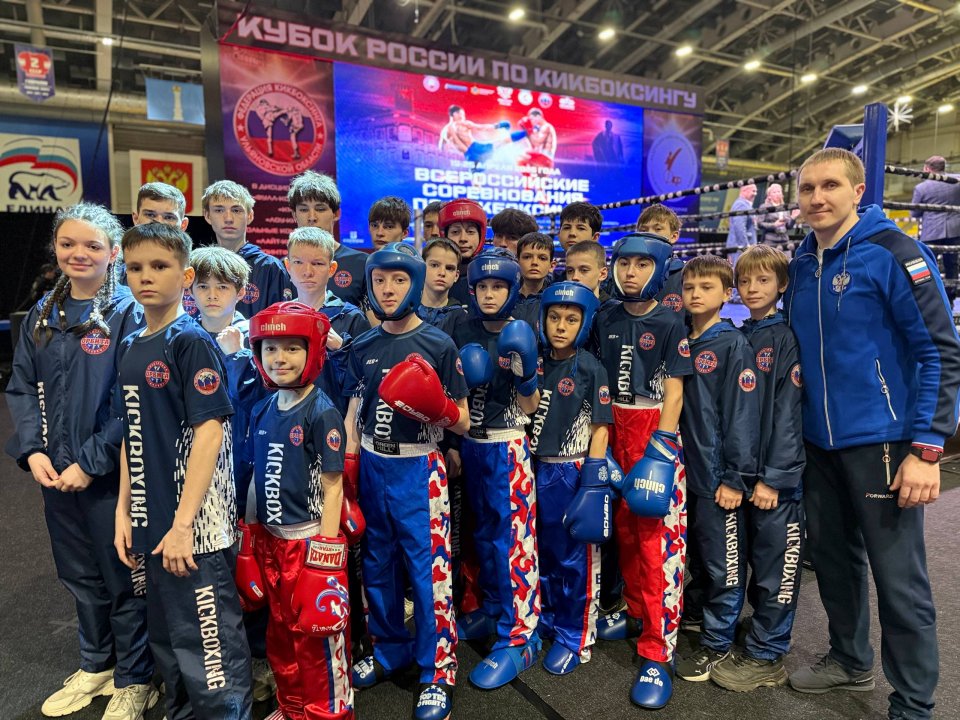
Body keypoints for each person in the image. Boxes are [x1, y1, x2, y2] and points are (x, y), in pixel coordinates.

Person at [784, 148, 960, 720]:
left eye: (830, 185)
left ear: (858, 191)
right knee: (834, 563)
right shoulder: (802, 262)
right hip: (818, 443)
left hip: (883, 442)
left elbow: (941, 352)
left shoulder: (894, 252)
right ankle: (849, 659)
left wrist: (927, 448)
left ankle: (914, 703)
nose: (817, 198)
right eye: (807, 188)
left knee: (898, 578)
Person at [6, 203, 157, 720]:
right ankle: (96, 665)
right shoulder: (42, 315)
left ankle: (136, 677)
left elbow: (130, 399)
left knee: (122, 576)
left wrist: (91, 462)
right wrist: (33, 450)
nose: (79, 253)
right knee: (78, 575)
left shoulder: (128, 313)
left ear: (113, 252)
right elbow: (21, 386)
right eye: (68, 243)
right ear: (55, 248)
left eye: (93, 245)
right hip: (55, 472)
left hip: (112, 476)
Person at [114, 222, 252, 718]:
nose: (146, 276)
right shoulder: (132, 344)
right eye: (135, 267)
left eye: (159, 266)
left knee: (210, 653)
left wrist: (183, 525)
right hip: (151, 521)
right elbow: (132, 431)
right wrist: (124, 510)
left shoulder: (190, 340)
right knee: (171, 648)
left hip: (194, 529)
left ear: (186, 275)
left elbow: (210, 433)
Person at [345, 243, 470, 720]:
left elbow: (462, 421)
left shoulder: (438, 345)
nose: (388, 289)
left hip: (419, 468)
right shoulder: (363, 345)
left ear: (414, 284)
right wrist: (349, 465)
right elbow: (355, 408)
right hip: (372, 464)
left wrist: (434, 406)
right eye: (380, 280)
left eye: (399, 280)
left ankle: (438, 669)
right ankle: (389, 648)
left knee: (427, 570)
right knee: (376, 562)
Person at [592, 233, 692, 709]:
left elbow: (675, 392)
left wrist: (661, 448)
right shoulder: (605, 316)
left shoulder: (671, 320)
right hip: (614, 428)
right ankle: (635, 613)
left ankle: (658, 651)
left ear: (659, 269)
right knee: (627, 536)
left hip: (654, 432)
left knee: (657, 547)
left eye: (642, 264)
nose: (631, 272)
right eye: (625, 263)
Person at [245, 302, 353, 720]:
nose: (280, 358)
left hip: (308, 543)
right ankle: (292, 707)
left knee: (319, 639)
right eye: (271, 348)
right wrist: (249, 537)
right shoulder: (263, 408)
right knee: (281, 633)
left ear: (312, 351)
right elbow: (257, 477)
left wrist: (325, 558)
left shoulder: (322, 412)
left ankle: (329, 713)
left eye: (292, 348)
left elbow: (333, 486)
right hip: (271, 541)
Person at [706, 245, 805, 692]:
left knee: (775, 568)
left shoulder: (783, 338)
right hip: (742, 473)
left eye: (763, 280)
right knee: (740, 561)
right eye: (744, 280)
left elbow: (788, 413)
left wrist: (775, 477)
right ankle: (755, 632)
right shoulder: (740, 334)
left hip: (773, 482)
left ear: (782, 285)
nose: (751, 288)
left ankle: (768, 654)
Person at [188, 245, 280, 704]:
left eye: (222, 286)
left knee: (253, 564)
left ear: (241, 291)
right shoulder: (183, 336)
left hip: (245, 472)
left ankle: (260, 658)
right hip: (197, 475)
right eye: (203, 286)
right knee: (211, 572)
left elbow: (268, 401)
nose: (211, 294)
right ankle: (217, 661)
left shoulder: (256, 340)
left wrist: (237, 357)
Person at [448, 248, 543, 691]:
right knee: (482, 538)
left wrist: (526, 375)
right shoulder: (461, 328)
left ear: (512, 290)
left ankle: (521, 636)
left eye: (498, 287)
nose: (489, 294)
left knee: (513, 544)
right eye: (483, 286)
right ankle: (492, 609)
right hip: (471, 445)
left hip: (508, 446)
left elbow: (531, 405)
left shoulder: (522, 330)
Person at [673, 255, 760, 685]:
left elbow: (742, 416)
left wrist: (735, 477)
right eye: (689, 287)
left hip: (716, 476)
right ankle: (695, 617)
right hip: (680, 472)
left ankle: (717, 643)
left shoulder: (732, 344)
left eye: (706, 288)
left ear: (727, 294)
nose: (695, 294)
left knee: (723, 563)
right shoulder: (679, 337)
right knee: (694, 556)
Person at [529, 281, 613, 676]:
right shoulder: (534, 361)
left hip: (573, 469)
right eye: (554, 317)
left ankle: (575, 636)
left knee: (575, 559)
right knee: (543, 553)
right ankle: (547, 618)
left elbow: (601, 428)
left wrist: (593, 483)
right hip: (536, 467)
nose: (561, 326)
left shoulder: (591, 367)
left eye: (571, 319)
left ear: (584, 323)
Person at [202, 179, 294, 318]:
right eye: (219, 210)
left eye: (236, 210)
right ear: (207, 215)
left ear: (250, 216)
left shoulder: (270, 268)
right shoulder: (198, 266)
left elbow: (282, 323)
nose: (228, 218)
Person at [287, 170, 369, 308]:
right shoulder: (282, 268)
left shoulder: (362, 263)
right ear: (294, 215)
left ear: (336, 214)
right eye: (304, 210)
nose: (312, 217)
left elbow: (372, 320)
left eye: (320, 209)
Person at [911, 155, 960, 305]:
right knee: (952, 265)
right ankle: (950, 299)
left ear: (927, 169)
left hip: (931, 232)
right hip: (954, 230)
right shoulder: (956, 181)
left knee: (925, 263)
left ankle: (926, 296)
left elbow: (915, 213)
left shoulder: (921, 188)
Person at [438, 198, 487, 305]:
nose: (463, 239)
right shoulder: (432, 275)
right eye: (455, 232)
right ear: (445, 235)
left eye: (470, 231)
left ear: (481, 235)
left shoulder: (491, 275)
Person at [637, 204, 685, 313]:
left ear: (674, 236)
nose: (649, 233)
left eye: (657, 229)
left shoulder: (685, 275)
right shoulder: (627, 271)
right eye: (643, 230)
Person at [438, 105, 526, 165]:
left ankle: (526, 132)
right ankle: (527, 132)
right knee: (503, 141)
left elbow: (482, 127)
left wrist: (497, 126)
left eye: (463, 115)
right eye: (461, 114)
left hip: (473, 151)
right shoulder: (449, 129)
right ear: (454, 114)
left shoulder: (449, 129)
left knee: (503, 142)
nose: (463, 117)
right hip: (472, 153)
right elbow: (442, 148)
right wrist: (497, 126)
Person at [418, 238, 464, 328]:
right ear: (422, 268)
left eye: (449, 268)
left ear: (456, 276)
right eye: (434, 265)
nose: (442, 273)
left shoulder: (462, 319)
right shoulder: (405, 312)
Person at [726, 183, 758, 252]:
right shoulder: (741, 204)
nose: (755, 194)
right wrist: (745, 247)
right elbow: (739, 227)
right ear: (744, 191)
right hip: (740, 249)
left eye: (756, 191)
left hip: (745, 248)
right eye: (753, 191)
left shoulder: (746, 204)